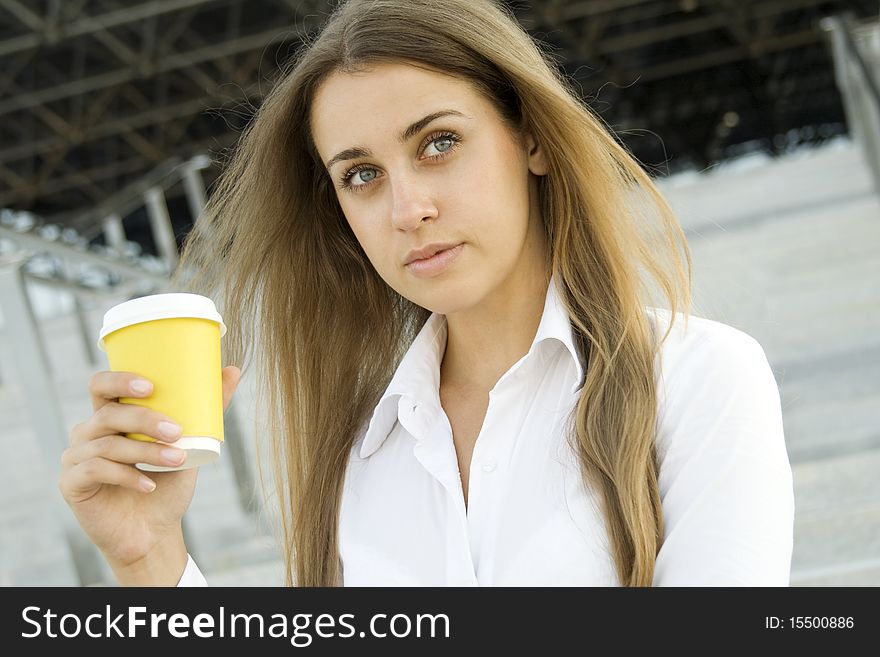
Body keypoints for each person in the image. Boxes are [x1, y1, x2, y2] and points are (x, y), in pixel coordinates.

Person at [59, 0, 795, 586]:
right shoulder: (356, 455)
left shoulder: (700, 379)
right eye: (361, 174)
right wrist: (149, 559)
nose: (407, 208)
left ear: (531, 138)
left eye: (438, 142)